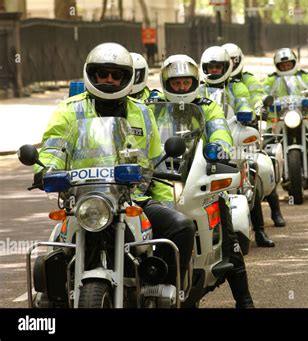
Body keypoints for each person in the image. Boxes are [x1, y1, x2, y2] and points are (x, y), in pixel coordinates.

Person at [33, 42, 195, 292]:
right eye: (102, 73)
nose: (109, 79)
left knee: (182, 226)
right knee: (57, 249)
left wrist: (164, 203)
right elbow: (54, 148)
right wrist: (45, 170)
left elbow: (153, 161)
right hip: (84, 202)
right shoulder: (68, 109)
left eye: (116, 74)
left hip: (135, 200)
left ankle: (165, 291)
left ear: (126, 78)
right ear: (92, 74)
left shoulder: (141, 111)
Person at [147, 54, 255, 308]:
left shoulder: (207, 106)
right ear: (166, 83)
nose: (182, 88)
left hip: (200, 175)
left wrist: (219, 147)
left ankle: (245, 300)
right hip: (160, 178)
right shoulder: (152, 109)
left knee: (231, 239)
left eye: (186, 83)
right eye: (176, 83)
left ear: (195, 81)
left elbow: (219, 128)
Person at [200, 45, 276, 248]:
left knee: (250, 172)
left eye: (218, 67)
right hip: (206, 145)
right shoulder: (200, 88)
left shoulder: (236, 87)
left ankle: (260, 231)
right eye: (210, 67)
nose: (214, 71)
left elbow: (244, 104)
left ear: (226, 67)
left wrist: (248, 114)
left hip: (233, 141)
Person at [222, 42, 286, 229]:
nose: (230, 65)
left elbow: (256, 96)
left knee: (257, 168)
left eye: (233, 61)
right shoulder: (208, 86)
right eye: (226, 62)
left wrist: (258, 110)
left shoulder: (246, 80)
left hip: (245, 130)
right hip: (224, 136)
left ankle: (272, 215)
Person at [263, 48, 308, 171]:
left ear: (294, 63)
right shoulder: (271, 79)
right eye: (283, 65)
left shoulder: (303, 75)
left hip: (303, 115)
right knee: (267, 141)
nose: (286, 67)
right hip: (278, 118)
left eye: (288, 64)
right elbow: (263, 91)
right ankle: (270, 169)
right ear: (277, 66)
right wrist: (263, 104)